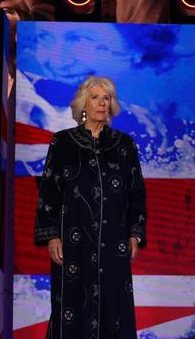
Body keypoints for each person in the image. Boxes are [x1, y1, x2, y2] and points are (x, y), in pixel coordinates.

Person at [35, 76, 146, 338]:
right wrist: (51, 235)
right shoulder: (62, 143)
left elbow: (137, 193)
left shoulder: (124, 145)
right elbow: (49, 192)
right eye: (95, 97)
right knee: (72, 306)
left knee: (114, 307)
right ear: (84, 104)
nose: (101, 103)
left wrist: (135, 233)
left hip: (114, 242)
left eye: (106, 98)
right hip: (74, 244)